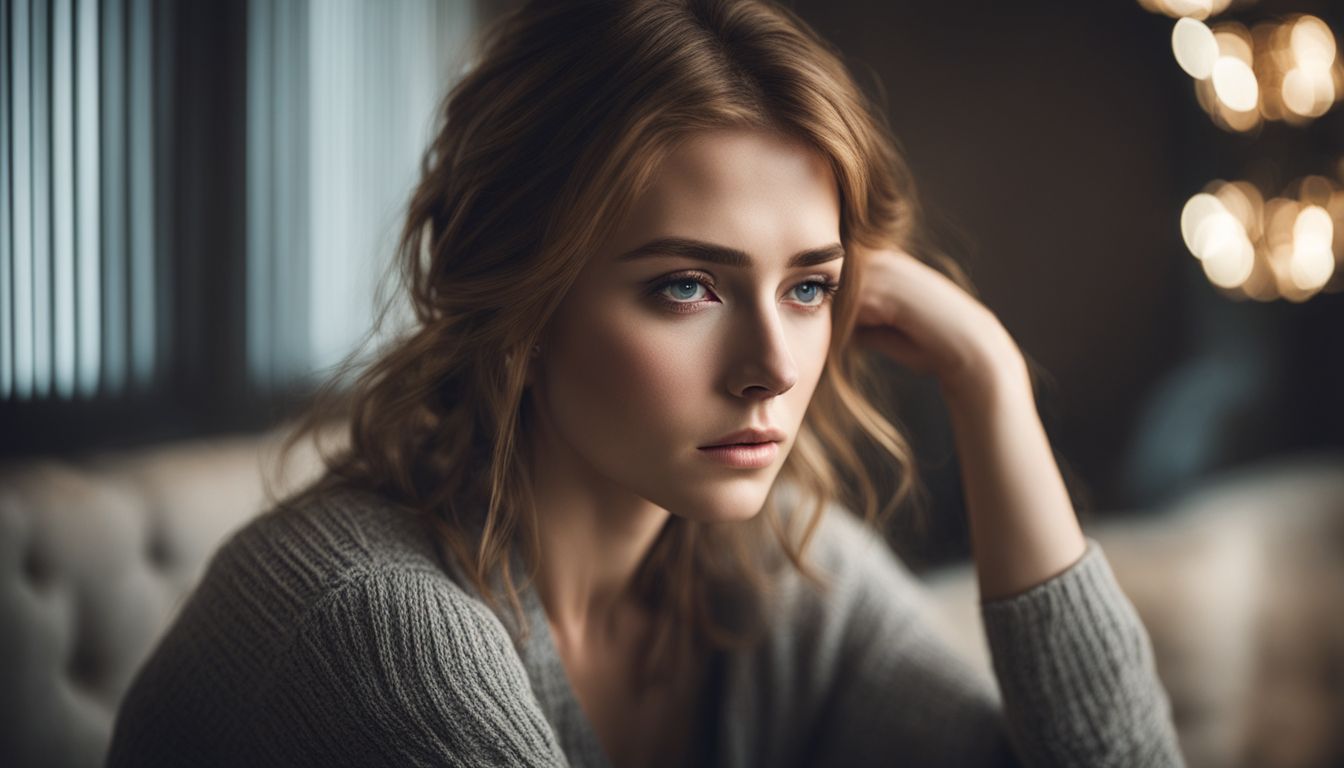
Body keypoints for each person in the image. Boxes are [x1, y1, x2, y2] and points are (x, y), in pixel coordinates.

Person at [108, 0, 1185, 765]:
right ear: (519, 296)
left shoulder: (767, 582)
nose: (771, 368)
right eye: (686, 286)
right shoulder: (380, 633)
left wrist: (989, 379)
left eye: (810, 288)